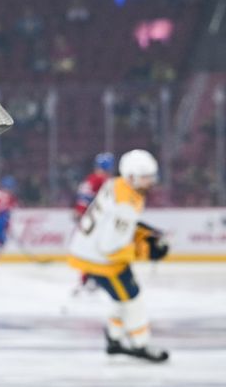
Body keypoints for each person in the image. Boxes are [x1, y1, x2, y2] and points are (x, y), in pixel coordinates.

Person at [67, 149, 170, 363]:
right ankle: (141, 344)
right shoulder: (127, 204)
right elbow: (110, 247)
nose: (150, 182)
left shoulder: (116, 183)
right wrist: (146, 251)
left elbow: (112, 224)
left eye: (151, 176)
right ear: (131, 176)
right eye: (145, 177)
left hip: (88, 250)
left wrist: (141, 232)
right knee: (133, 300)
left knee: (121, 297)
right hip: (101, 261)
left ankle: (114, 339)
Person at [72, 152, 114, 291]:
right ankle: (90, 279)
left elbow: (83, 199)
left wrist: (79, 212)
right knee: (96, 250)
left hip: (90, 220)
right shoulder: (100, 180)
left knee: (90, 249)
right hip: (96, 221)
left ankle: (88, 279)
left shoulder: (91, 179)